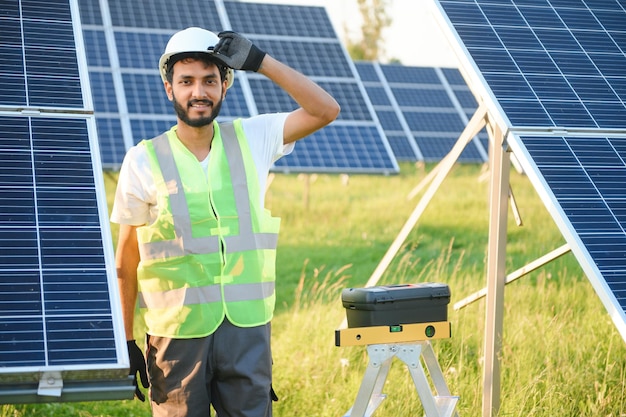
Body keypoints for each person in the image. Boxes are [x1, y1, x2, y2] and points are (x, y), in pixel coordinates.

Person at [110, 27, 340, 417]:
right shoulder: (142, 160)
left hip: (246, 333)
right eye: (186, 81)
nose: (198, 91)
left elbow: (325, 110)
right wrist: (125, 340)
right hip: (176, 337)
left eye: (209, 80)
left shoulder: (253, 138)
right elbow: (126, 260)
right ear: (170, 89)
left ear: (225, 85)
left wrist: (260, 61)